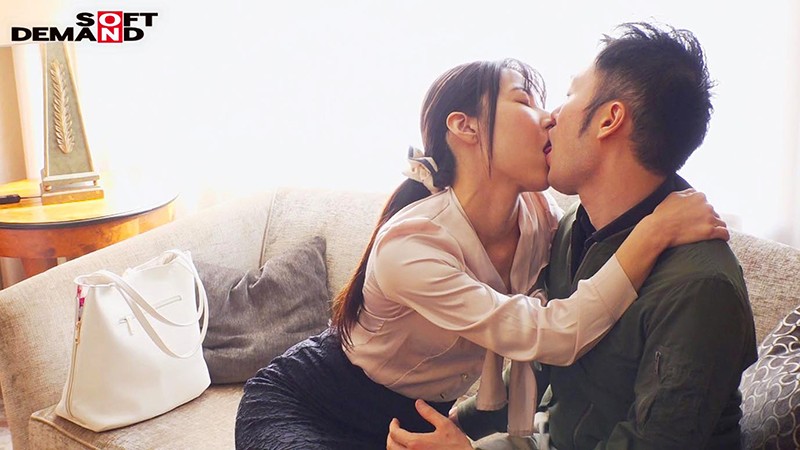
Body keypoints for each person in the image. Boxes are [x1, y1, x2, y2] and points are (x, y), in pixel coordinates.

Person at [235, 55, 728, 450]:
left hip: (421, 417)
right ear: (465, 127)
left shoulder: (544, 220)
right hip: (314, 401)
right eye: (526, 102)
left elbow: (544, 348)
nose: (550, 117)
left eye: (555, 101)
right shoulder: (411, 244)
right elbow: (552, 334)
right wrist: (653, 233)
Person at [386, 22, 757, 450]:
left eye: (568, 95)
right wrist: (457, 424)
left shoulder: (701, 285)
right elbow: (544, 356)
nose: (550, 117)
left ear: (608, 120)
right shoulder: (569, 228)